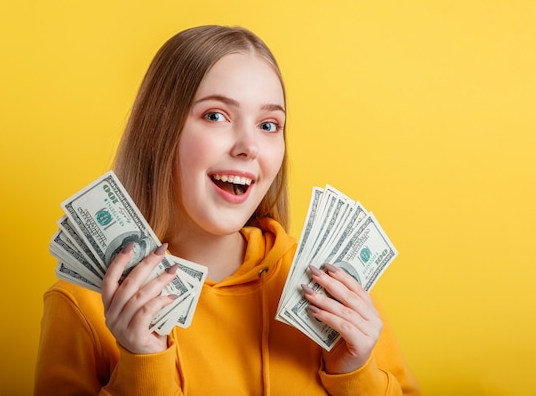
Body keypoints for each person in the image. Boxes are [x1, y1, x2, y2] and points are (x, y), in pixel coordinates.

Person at [34, 25, 421, 395]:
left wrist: (355, 373)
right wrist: (142, 366)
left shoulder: (330, 287)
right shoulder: (86, 302)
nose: (248, 146)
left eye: (269, 125)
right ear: (159, 130)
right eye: (216, 116)